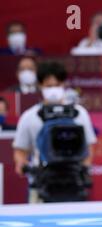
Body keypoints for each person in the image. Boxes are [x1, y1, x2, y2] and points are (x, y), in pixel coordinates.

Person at [12, 61, 97, 203]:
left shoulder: (79, 113)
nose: (53, 89)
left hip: (74, 182)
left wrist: (84, 168)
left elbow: (89, 147)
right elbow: (20, 150)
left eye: (57, 85)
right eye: (48, 86)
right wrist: (23, 165)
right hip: (42, 184)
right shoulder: (30, 116)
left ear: (64, 84)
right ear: (40, 86)